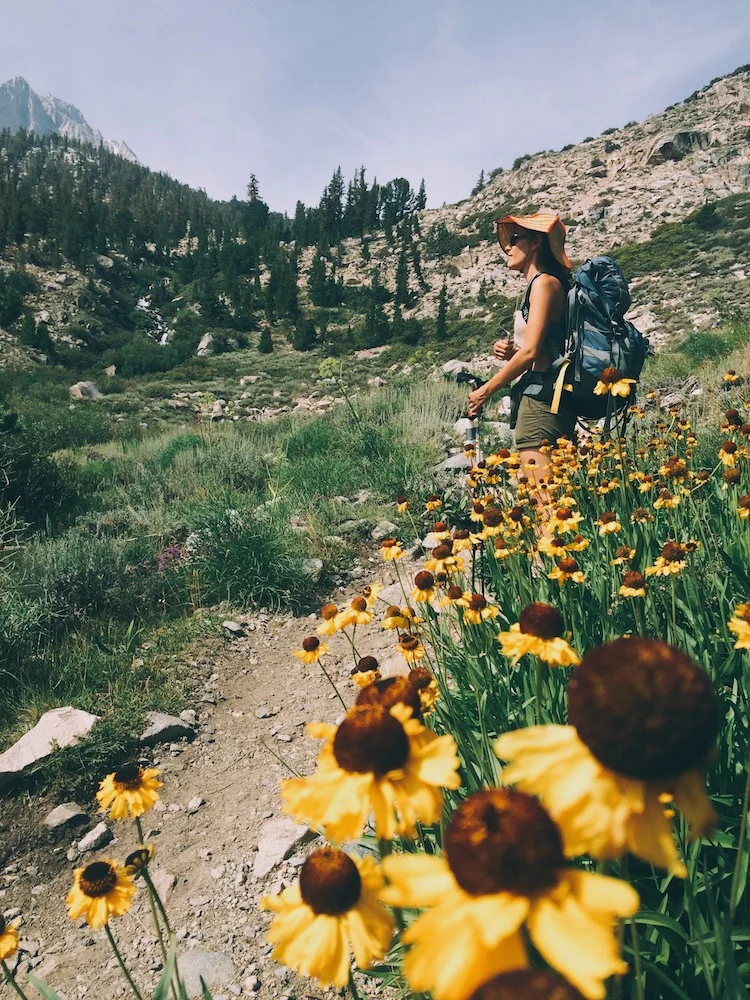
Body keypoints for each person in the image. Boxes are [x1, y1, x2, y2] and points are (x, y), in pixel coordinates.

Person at [467, 212, 574, 488]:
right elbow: (538, 351)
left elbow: (532, 353)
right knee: (554, 497)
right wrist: (514, 352)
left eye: (515, 239)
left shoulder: (543, 283)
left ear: (536, 242)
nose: (507, 247)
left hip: (541, 403)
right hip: (548, 397)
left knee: (544, 504)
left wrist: (485, 391)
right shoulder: (545, 284)